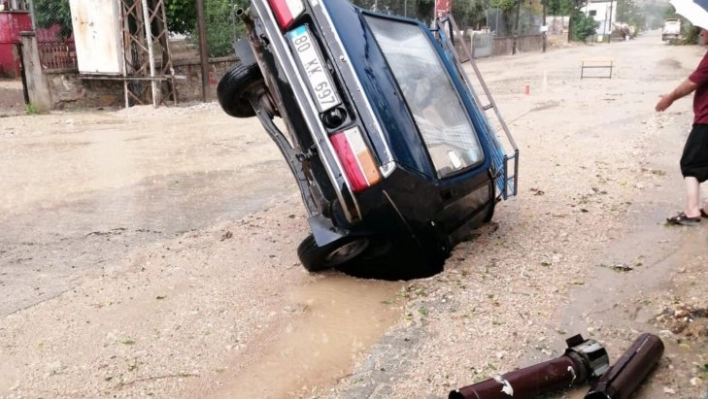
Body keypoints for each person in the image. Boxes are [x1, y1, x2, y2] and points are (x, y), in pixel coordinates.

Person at [656, 28, 708, 225]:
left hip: (706, 121)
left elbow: (692, 83)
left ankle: (691, 210)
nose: (702, 33)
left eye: (706, 29)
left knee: (691, 164)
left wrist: (670, 97)